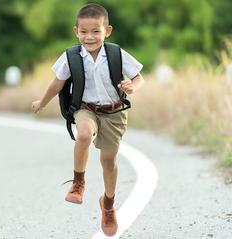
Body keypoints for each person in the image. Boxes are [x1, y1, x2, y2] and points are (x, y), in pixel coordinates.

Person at [30, 3, 145, 237]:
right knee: (83, 134)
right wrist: (42, 101)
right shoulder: (71, 57)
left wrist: (132, 86)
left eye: (96, 31)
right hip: (86, 108)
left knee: (108, 161)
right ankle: (78, 182)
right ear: (76, 31)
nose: (89, 37)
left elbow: (138, 77)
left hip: (113, 112)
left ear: (107, 31)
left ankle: (108, 204)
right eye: (84, 32)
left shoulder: (116, 54)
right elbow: (58, 83)